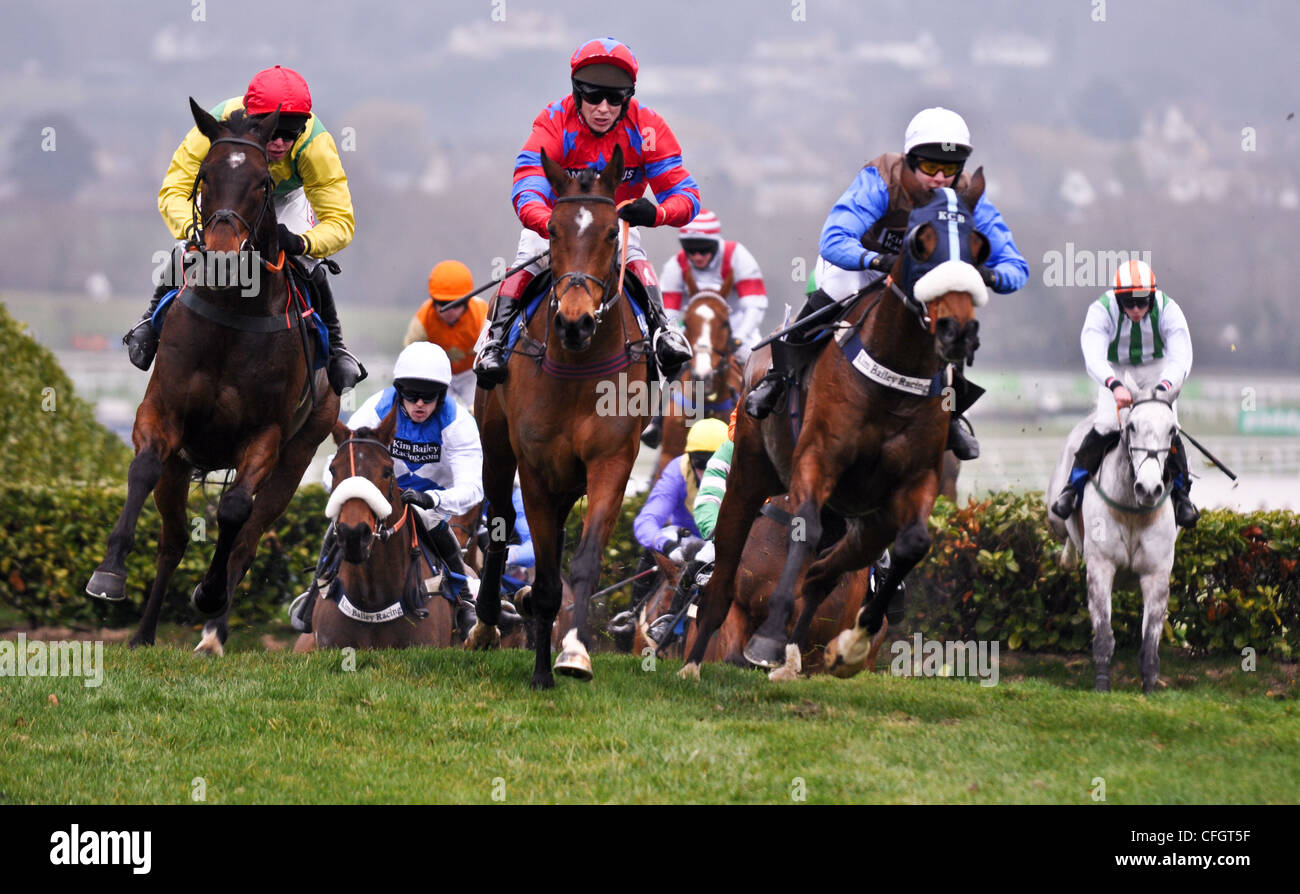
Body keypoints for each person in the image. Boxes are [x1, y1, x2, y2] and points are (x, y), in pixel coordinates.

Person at [744, 107, 1029, 462]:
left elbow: (1016, 267)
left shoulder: (969, 195)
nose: (941, 178)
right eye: (930, 167)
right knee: (838, 292)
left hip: (924, 279)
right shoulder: (881, 178)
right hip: (862, 265)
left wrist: (986, 276)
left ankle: (952, 412)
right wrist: (878, 261)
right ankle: (778, 377)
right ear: (910, 161)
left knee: (954, 319)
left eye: (950, 168)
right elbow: (834, 239)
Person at [125, 65, 365, 395]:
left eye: (290, 135)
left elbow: (340, 222)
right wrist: (194, 231)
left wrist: (301, 242)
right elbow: (174, 191)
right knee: (190, 247)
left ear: (304, 127)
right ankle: (150, 322)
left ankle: (336, 347)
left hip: (284, 199)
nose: (279, 143)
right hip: (231, 188)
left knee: (309, 262)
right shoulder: (215, 125)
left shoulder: (315, 145)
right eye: (273, 133)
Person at [474, 37, 697, 389]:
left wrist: (657, 213)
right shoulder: (553, 120)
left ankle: (663, 332)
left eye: (615, 98)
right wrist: (548, 223)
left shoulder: (648, 127)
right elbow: (527, 183)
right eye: (593, 96)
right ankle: (495, 342)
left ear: (628, 97)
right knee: (527, 261)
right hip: (558, 224)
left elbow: (686, 194)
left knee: (635, 259)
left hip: (612, 226)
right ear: (577, 93)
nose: (604, 108)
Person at [290, 342, 484, 635]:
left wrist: (431, 498)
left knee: (436, 527)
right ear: (399, 391)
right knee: (340, 527)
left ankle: (465, 601)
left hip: (432, 503)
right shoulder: (377, 407)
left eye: (429, 397)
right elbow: (342, 458)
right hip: (383, 498)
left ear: (442, 395)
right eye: (411, 395)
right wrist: (348, 494)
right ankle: (315, 591)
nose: (420, 404)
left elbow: (472, 488)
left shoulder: (459, 423)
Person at [1050, 260, 1198, 527]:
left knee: (1168, 427)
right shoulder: (1101, 310)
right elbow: (1094, 356)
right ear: (1118, 299)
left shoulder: (1168, 310)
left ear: (1152, 297)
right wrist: (1114, 384)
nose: (1136, 309)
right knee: (1106, 424)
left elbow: (1181, 357)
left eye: (1142, 302)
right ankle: (1072, 489)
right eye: (1129, 303)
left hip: (1157, 370)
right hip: (1116, 369)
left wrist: (1163, 389)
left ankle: (1182, 497)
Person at [640, 209, 768, 448]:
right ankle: (656, 421)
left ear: (716, 244)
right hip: (694, 330)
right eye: (691, 250)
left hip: (736, 326)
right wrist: (682, 338)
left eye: (704, 250)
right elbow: (668, 313)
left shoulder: (737, 256)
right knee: (663, 359)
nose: (697, 256)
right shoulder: (676, 265)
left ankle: (764, 421)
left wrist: (739, 337)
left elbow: (755, 304)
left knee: (759, 363)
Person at [627, 418, 728, 646]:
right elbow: (647, 521)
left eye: (714, 463)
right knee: (658, 542)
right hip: (687, 544)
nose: (706, 471)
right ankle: (633, 614)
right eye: (700, 462)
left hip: (725, 546)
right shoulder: (677, 470)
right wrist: (666, 545)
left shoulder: (742, 473)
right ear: (689, 458)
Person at [404, 260, 488, 410]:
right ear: (433, 300)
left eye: (456, 303)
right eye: (443, 304)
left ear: (467, 300)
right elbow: (411, 359)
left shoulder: (482, 316)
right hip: (438, 374)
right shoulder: (423, 319)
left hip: (473, 374)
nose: (450, 310)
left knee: (480, 409)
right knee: (438, 411)